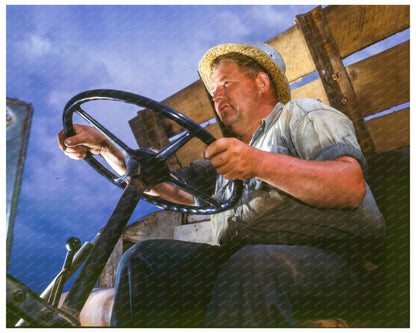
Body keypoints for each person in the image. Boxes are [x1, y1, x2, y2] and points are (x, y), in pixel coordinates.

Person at [57, 42, 385, 327]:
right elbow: (163, 186)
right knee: (145, 259)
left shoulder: (302, 115)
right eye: (214, 90)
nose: (217, 95)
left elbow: (350, 185)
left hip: (335, 268)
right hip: (245, 268)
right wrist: (105, 148)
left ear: (261, 82)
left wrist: (258, 163)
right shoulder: (227, 159)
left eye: (226, 83)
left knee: (253, 264)